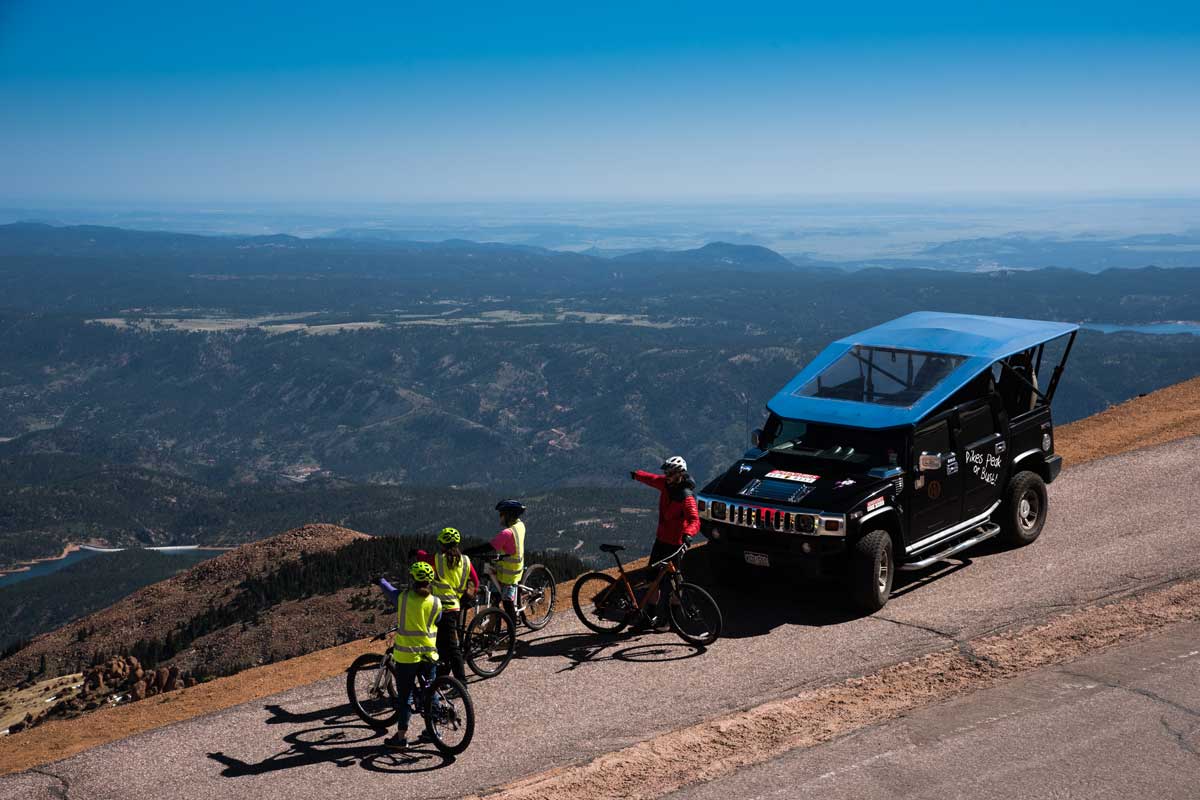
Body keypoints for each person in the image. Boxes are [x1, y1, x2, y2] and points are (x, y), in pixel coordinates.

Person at [376, 561, 442, 751]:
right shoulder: (436, 602)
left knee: (405, 696)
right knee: (430, 691)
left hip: (407, 656)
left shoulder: (404, 598)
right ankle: (433, 731)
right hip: (429, 653)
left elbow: (389, 591)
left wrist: (380, 580)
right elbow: (437, 620)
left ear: (412, 579)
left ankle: (401, 737)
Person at [631, 456, 700, 626]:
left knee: (676, 583)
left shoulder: (686, 497)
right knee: (652, 580)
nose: (666, 475)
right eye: (666, 472)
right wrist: (636, 475)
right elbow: (651, 479)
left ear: (679, 473)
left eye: (670, 472)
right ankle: (651, 616)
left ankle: (673, 619)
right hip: (660, 541)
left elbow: (695, 520)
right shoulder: (666, 484)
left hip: (675, 545)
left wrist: (688, 534)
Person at [426, 526, 477, 683]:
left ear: (442, 544)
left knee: (451, 647)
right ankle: (442, 678)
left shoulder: (438, 559)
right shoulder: (466, 560)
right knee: (442, 644)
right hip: (455, 605)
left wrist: (416, 553)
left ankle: (461, 683)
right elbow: (475, 581)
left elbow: (424, 559)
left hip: (441, 609)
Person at [467, 499, 527, 624]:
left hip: (510, 574)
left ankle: (512, 634)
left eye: (501, 514)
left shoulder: (507, 533)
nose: (499, 517)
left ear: (508, 515)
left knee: (507, 602)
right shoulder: (520, 525)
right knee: (497, 596)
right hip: (512, 566)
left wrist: (469, 551)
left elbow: (489, 546)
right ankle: (494, 626)